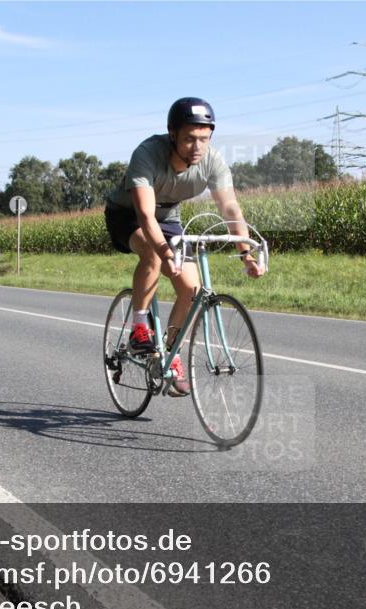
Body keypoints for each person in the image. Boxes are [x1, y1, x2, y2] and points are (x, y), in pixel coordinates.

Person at [105, 97, 265, 397]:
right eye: (189, 138)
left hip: (168, 217)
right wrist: (166, 254)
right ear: (172, 134)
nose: (197, 147)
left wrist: (246, 252)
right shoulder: (148, 154)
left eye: (204, 139)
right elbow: (145, 215)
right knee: (153, 253)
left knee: (192, 292)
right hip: (128, 215)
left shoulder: (212, 161)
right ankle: (140, 327)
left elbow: (230, 209)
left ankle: (168, 354)